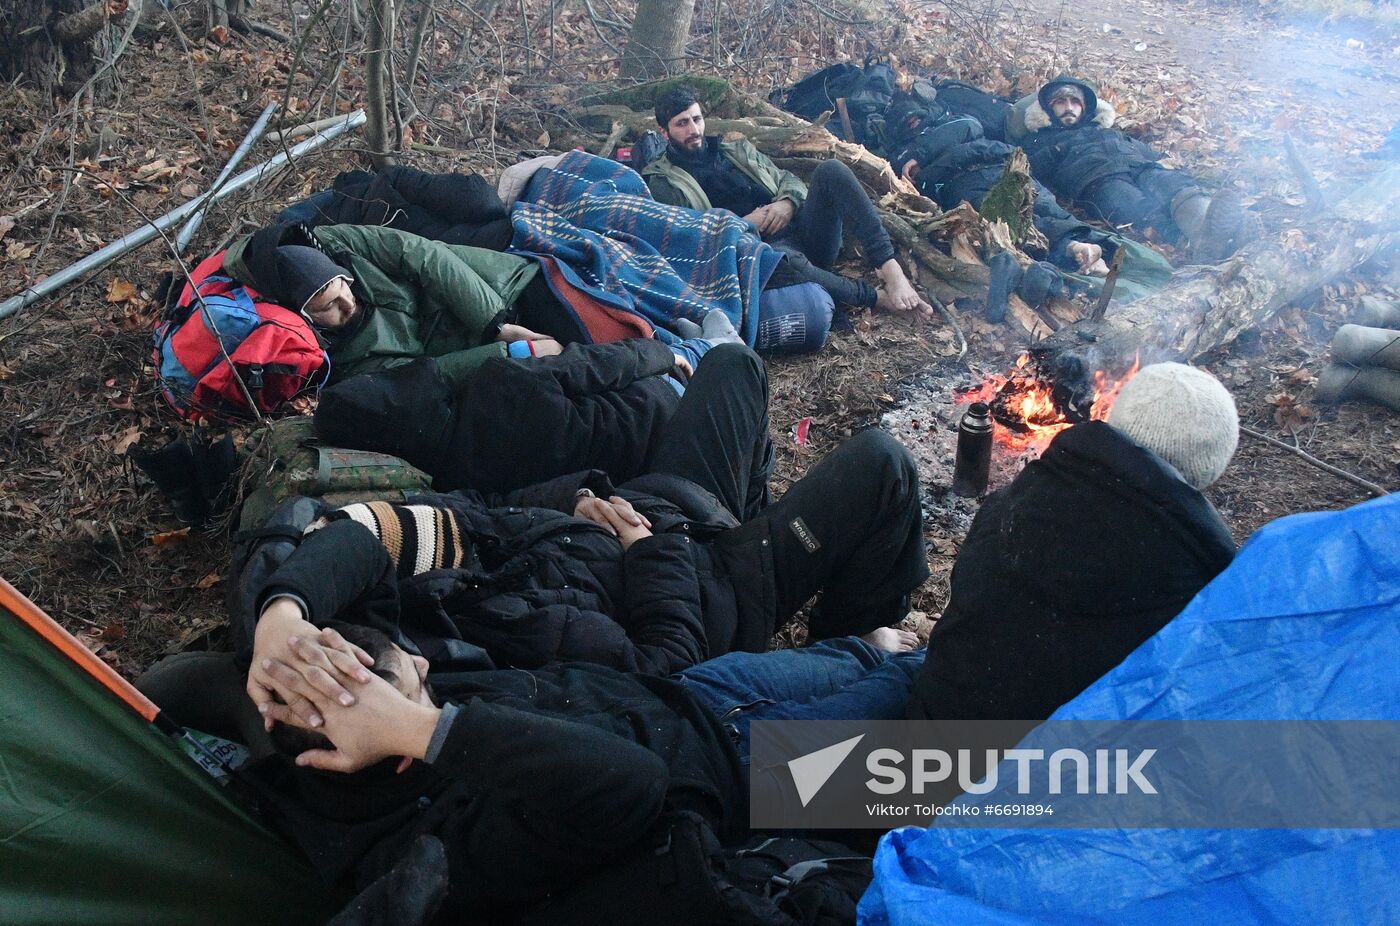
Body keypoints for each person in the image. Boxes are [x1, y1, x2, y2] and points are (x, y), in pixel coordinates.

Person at [137, 615, 922, 922]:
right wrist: (425, 727)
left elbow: (171, 684)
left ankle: (894, 656)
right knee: (944, 725)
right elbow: (630, 785)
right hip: (755, 777)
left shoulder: (283, 729)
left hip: (692, 694)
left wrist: (279, 617)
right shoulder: (437, 850)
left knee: (866, 653)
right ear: (378, 736)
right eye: (411, 684)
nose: (421, 659)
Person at [232, 344, 930, 682]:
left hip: (667, 498)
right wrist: (642, 552)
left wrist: (573, 500)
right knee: (883, 465)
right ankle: (851, 640)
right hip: (720, 583)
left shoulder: (441, 563)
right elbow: (667, 676)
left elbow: (473, 511)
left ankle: (764, 521)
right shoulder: (516, 645)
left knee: (733, 365)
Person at [910, 361, 1240, 722]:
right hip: (1040, 771)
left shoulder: (1009, 506)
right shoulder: (1205, 594)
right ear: (1211, 466)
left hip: (931, 720)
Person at [221, 222, 715, 389]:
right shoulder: (334, 362)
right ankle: (696, 350)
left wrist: (497, 324)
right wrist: (512, 354)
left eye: (345, 288)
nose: (348, 303)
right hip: (487, 353)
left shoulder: (329, 245)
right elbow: (426, 374)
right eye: (332, 307)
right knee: (601, 369)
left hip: (498, 290)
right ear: (304, 319)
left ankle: (702, 346)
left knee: (619, 335)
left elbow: (422, 254)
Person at [642, 86, 933, 319]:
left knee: (832, 171)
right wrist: (745, 225)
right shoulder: (665, 181)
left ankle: (891, 268)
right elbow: (691, 239)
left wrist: (787, 204)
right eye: (682, 124)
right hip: (759, 256)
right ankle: (874, 298)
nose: (693, 129)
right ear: (665, 132)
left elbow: (789, 180)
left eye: (697, 119)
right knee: (780, 259)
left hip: (804, 232)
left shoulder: (734, 150)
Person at [1005, 76, 1246, 262]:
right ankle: (1192, 245)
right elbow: (1032, 172)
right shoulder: (1038, 140)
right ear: (1048, 108)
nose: (1068, 107)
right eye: (1060, 102)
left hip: (1140, 167)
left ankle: (1208, 227)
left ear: (1085, 107)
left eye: (1074, 101)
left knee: (1176, 186)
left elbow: (1151, 154)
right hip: (1097, 180)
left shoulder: (1107, 130)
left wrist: (1161, 164)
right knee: (1140, 209)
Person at [890, 109, 1116, 276]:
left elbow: (976, 133)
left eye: (917, 116)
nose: (914, 121)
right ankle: (1076, 249)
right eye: (907, 121)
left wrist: (927, 158)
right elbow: (919, 186)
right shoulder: (900, 153)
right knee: (1011, 222)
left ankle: (1096, 249)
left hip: (1003, 169)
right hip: (965, 185)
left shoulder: (951, 123)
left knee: (1048, 207)